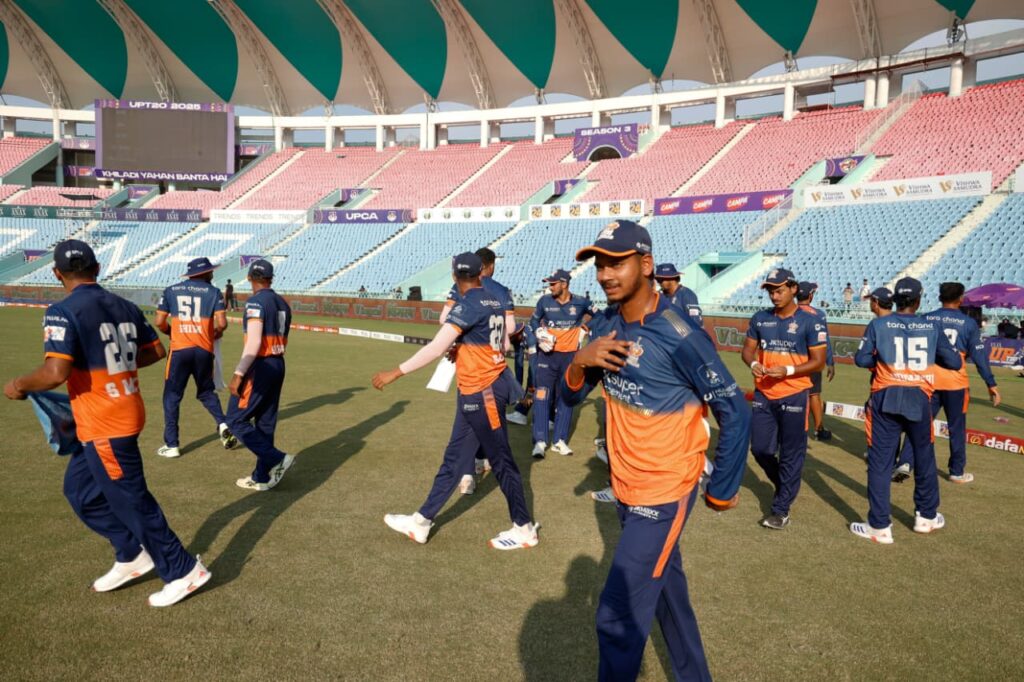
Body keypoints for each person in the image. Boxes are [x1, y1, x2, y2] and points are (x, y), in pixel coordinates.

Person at [559, 220, 750, 680]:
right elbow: (570, 397)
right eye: (600, 265)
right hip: (625, 486)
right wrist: (579, 361)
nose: (605, 274)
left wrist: (722, 489)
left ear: (646, 264)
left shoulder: (680, 334)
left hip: (664, 491)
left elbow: (735, 409)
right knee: (668, 597)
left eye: (616, 263)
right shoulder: (605, 324)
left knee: (616, 617)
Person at [3, 240, 211, 607]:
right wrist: (117, 367)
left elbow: (56, 372)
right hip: (114, 413)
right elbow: (155, 350)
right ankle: (132, 554)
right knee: (80, 493)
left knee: (133, 501)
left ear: (56, 274)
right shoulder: (125, 305)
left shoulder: (62, 311)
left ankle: (183, 570)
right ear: (97, 268)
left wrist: (19, 385)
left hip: (105, 423)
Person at [373, 252, 538, 549]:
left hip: (483, 390)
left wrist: (394, 373)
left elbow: (436, 348)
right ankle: (422, 521)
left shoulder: (467, 305)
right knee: (455, 457)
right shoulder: (493, 300)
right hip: (483, 386)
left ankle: (524, 527)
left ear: (454, 276)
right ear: (480, 273)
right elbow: (502, 344)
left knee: (502, 461)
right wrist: (464, 348)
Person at [850, 277, 962, 544]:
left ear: (895, 299)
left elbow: (861, 359)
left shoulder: (878, 324)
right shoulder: (931, 326)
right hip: (919, 396)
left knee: (880, 462)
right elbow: (954, 361)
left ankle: (879, 526)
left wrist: (884, 359)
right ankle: (926, 517)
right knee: (924, 457)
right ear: (919, 300)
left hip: (885, 395)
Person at [741, 268, 827, 530]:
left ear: (793, 289)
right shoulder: (760, 318)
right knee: (760, 449)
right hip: (764, 393)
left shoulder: (811, 321)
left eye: (779, 290)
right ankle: (785, 486)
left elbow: (818, 362)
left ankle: (781, 510)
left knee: (791, 453)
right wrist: (753, 363)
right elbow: (747, 351)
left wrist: (787, 370)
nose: (774, 296)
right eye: (770, 291)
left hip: (795, 393)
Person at [892, 282, 1001, 484]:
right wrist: (990, 383)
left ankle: (905, 462)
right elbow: (979, 356)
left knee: (917, 423)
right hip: (955, 383)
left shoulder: (926, 318)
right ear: (961, 299)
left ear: (940, 297)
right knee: (956, 428)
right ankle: (956, 471)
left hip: (927, 381)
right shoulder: (968, 323)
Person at [439, 247, 519, 493]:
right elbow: (510, 329)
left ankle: (466, 475)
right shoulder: (501, 291)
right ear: (489, 266)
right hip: (494, 366)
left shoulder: (460, 287)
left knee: (466, 418)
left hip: (469, 363)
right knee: (490, 418)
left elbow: (444, 319)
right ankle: (483, 460)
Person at [154, 257, 236, 458]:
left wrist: (171, 332)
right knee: (206, 392)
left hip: (179, 350)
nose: (213, 273)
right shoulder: (214, 292)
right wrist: (215, 332)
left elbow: (159, 321)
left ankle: (172, 444)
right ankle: (223, 423)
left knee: (172, 396)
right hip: (204, 350)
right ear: (205, 273)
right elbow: (222, 324)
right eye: (211, 271)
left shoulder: (171, 290)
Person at [227, 259, 294, 492]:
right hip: (278, 362)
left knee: (235, 419)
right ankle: (261, 477)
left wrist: (238, 373)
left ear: (249, 278)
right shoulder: (283, 303)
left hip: (260, 365)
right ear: (270, 278)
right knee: (265, 422)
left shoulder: (255, 302)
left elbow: (254, 342)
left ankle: (278, 459)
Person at [528, 269, 597, 458]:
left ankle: (559, 440)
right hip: (547, 356)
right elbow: (533, 321)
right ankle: (540, 441)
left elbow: (600, 316)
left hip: (570, 358)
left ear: (564, 284)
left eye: (553, 284)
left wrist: (585, 328)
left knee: (566, 397)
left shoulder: (581, 302)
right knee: (542, 395)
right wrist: (539, 333)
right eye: (549, 284)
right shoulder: (544, 301)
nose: (550, 287)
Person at [796, 282, 835, 441]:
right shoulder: (818, 314)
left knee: (793, 394)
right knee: (814, 394)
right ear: (811, 296)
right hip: (813, 360)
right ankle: (818, 429)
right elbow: (824, 340)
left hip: (792, 360)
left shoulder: (788, 311)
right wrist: (830, 362)